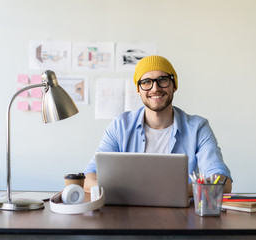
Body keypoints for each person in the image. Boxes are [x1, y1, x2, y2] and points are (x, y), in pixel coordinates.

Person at [84, 55, 232, 195]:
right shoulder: (120, 126)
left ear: (174, 85)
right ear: (138, 90)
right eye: (146, 82)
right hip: (127, 214)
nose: (155, 88)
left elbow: (223, 183)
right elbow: (90, 177)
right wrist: (120, 192)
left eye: (163, 80)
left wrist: (171, 192)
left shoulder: (198, 127)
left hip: (182, 217)